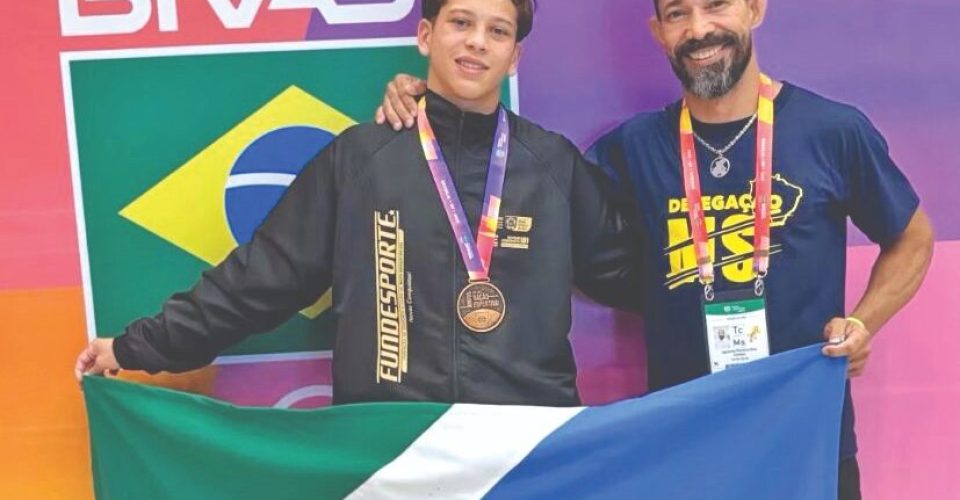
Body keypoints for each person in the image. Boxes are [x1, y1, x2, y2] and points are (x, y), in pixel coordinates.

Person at [375, 1, 934, 497]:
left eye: (717, 6)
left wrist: (863, 322)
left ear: (755, 10)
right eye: (677, 14)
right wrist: (439, 99)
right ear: (658, 31)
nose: (699, 29)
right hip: (685, 443)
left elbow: (911, 238)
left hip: (808, 433)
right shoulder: (630, 148)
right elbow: (522, 190)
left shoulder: (831, 130)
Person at [75, 0, 644, 408]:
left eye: (497, 31)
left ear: (514, 56)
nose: (476, 41)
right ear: (426, 35)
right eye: (461, 22)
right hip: (391, 445)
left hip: (525, 448)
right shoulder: (361, 158)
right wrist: (135, 346)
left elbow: (632, 272)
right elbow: (259, 280)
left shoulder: (553, 165)